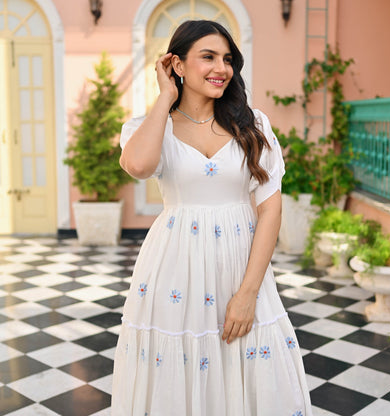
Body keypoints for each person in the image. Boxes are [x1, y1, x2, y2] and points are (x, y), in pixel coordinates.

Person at [111, 19, 312, 416]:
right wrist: (164, 98)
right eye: (207, 57)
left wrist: (248, 293)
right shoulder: (152, 127)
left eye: (227, 59)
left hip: (241, 266)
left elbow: (270, 207)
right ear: (177, 65)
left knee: (248, 358)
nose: (222, 68)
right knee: (179, 362)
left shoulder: (252, 126)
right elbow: (137, 165)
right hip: (175, 269)